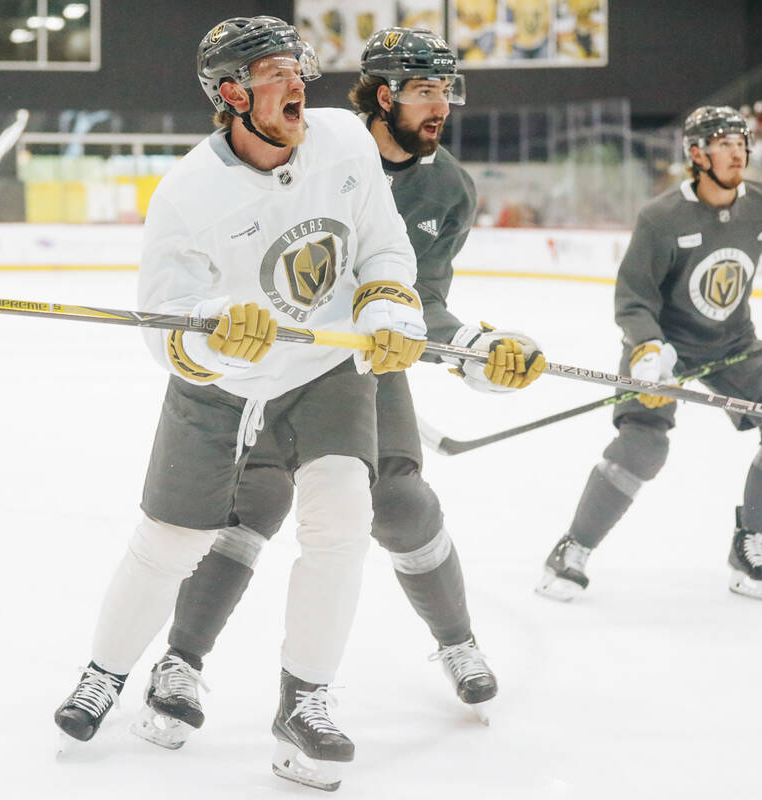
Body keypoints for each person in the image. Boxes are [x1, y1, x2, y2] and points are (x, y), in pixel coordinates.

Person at [131, 27, 546, 756]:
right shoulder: (309, 141)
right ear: (382, 96)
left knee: (399, 501)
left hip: (361, 355)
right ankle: (179, 662)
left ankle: (458, 641)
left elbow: (422, 297)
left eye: (445, 91)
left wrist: (473, 346)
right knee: (250, 503)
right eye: (424, 91)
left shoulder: (447, 187)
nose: (440, 106)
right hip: (273, 352)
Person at [52, 16, 439, 792]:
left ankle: (306, 704)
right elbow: (163, 331)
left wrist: (390, 306)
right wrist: (216, 337)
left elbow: (382, 245)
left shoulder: (343, 142)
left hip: (324, 369)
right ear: (231, 92)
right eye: (275, 72)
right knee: (170, 541)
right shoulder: (188, 193)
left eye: (298, 66)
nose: (297, 81)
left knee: (341, 521)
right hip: (222, 385)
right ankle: (105, 672)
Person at [536, 106, 762, 603]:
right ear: (696, 153)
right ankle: (572, 548)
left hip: (733, 344)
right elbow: (633, 299)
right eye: (724, 142)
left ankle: (749, 543)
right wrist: (647, 350)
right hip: (663, 346)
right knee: (643, 447)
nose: (738, 151)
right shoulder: (662, 218)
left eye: (741, 142)